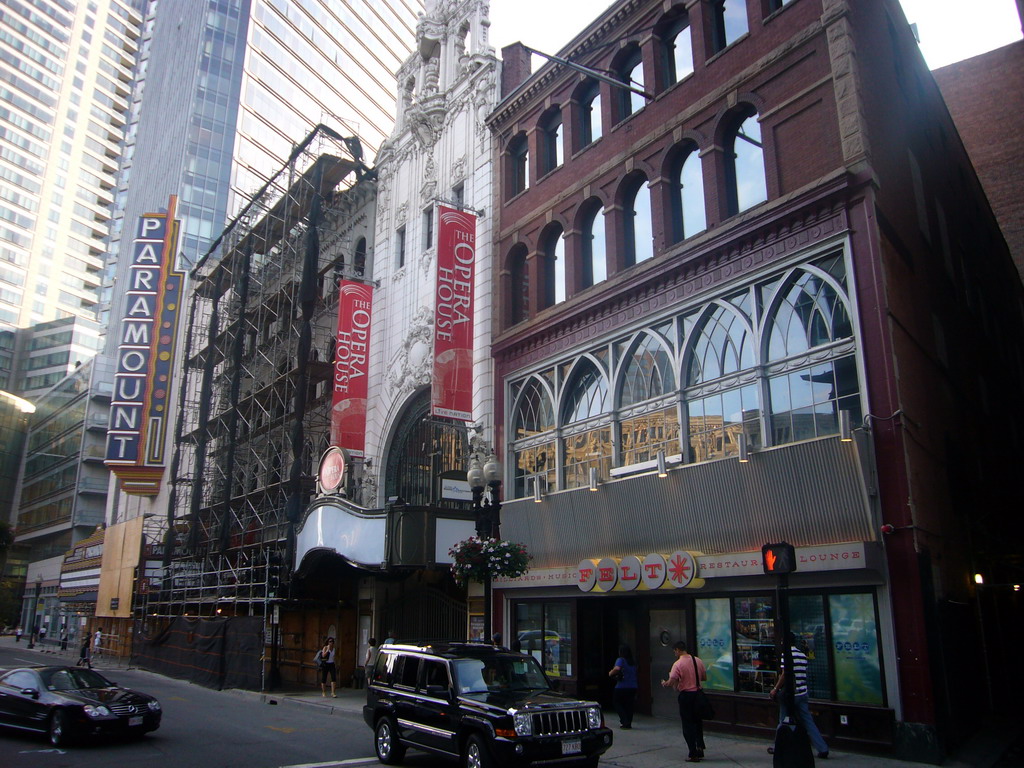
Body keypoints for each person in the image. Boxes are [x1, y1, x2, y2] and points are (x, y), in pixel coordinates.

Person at [769, 632, 829, 759]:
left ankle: (778, 746)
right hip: (802, 693)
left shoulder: (786, 654)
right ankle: (822, 748)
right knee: (808, 721)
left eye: (781, 641)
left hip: (791, 694)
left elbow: (785, 674)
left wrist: (775, 689)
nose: (780, 643)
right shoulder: (802, 655)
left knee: (782, 720)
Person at [661, 641, 707, 763]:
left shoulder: (678, 664)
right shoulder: (698, 661)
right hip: (698, 695)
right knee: (698, 722)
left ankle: (693, 753)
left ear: (677, 650)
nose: (674, 653)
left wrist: (665, 683)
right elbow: (704, 678)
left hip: (686, 695)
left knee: (688, 724)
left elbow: (671, 682)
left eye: (674, 651)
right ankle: (700, 747)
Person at [608, 644, 639, 729]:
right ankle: (628, 723)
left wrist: (610, 673)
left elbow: (617, 669)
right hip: (633, 686)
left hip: (621, 686)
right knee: (629, 705)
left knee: (616, 702)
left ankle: (624, 720)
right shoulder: (633, 662)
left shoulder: (621, 660)